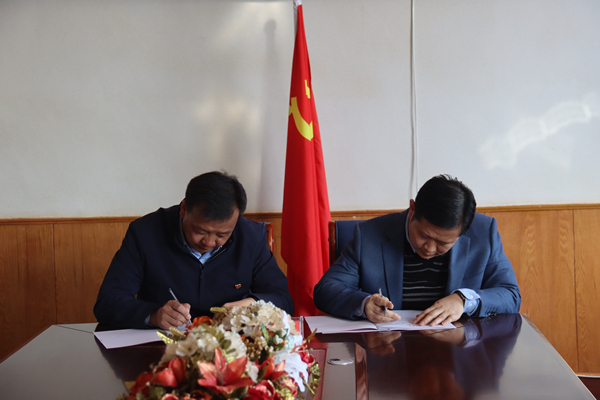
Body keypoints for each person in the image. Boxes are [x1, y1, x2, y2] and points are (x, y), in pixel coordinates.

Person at [94, 171, 294, 329]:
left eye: (222, 234)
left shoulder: (251, 236)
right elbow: (108, 303)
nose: (209, 242)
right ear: (183, 210)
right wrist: (154, 315)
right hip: (162, 347)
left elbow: (283, 299)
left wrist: (251, 305)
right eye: (200, 231)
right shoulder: (146, 233)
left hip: (233, 348)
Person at [313, 174, 520, 326]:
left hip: (458, 352)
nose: (429, 248)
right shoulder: (369, 235)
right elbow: (326, 289)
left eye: (444, 243)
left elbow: (510, 295)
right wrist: (364, 303)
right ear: (412, 210)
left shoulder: (483, 233)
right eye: (424, 235)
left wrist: (464, 300)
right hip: (389, 352)